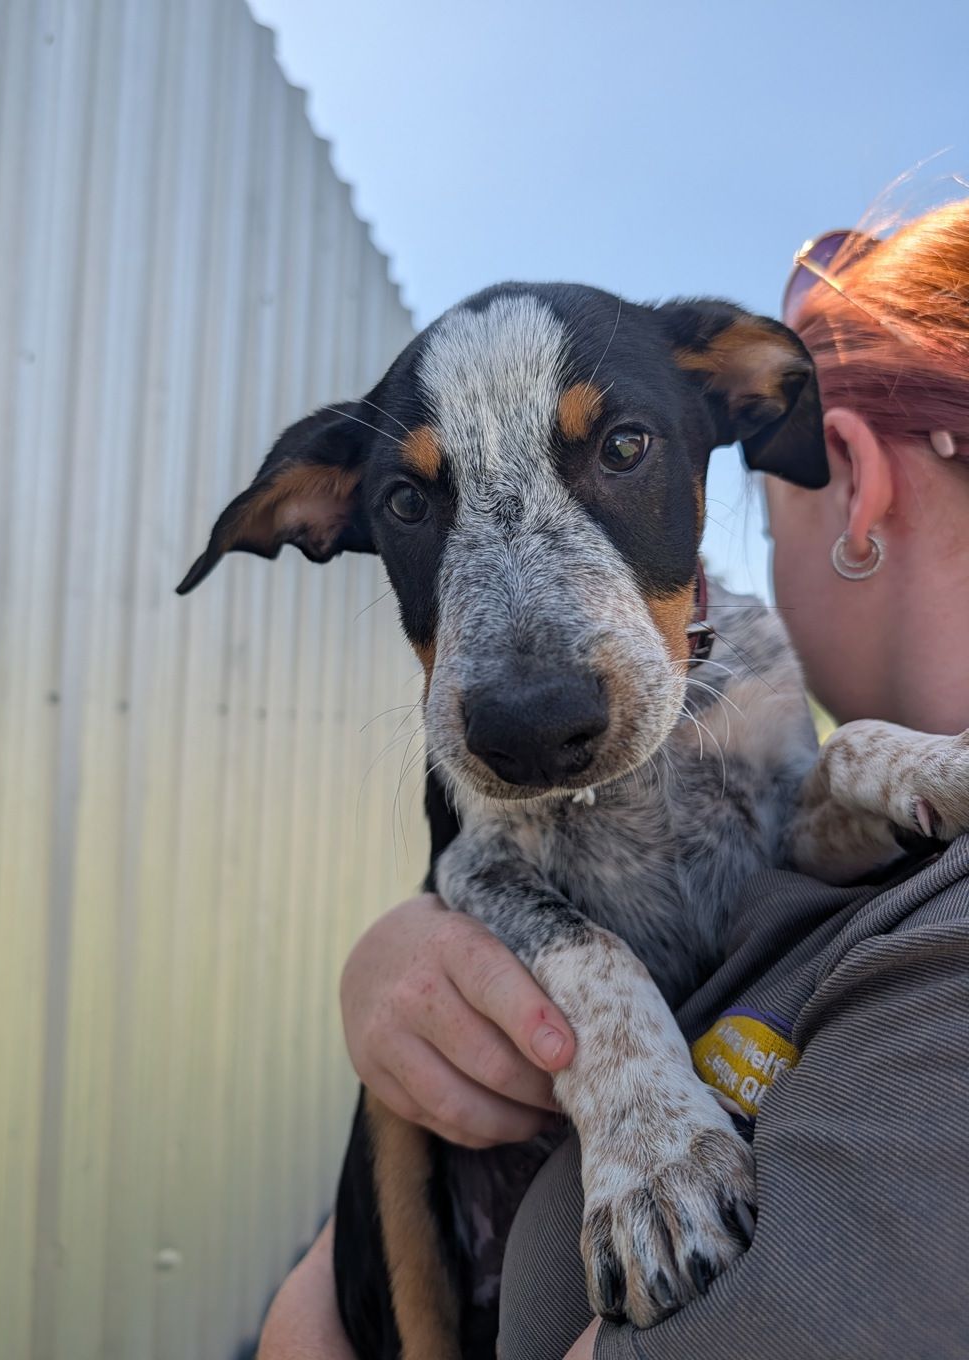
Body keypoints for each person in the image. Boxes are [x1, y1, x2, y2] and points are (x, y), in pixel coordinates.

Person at [259, 195, 969, 1360]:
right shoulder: (864, 834)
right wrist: (407, 957)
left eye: (622, 448)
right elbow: (793, 845)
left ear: (842, 467)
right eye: (410, 497)